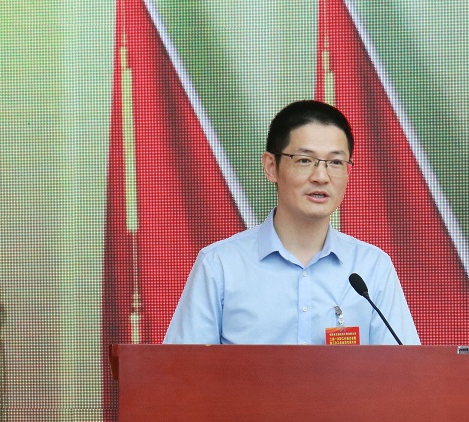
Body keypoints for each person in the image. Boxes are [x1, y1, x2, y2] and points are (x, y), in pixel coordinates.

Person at [164, 100, 419, 345]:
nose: (321, 177)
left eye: (335, 162)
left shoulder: (372, 268)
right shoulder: (220, 265)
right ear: (271, 166)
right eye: (304, 160)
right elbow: (181, 369)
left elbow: (405, 369)